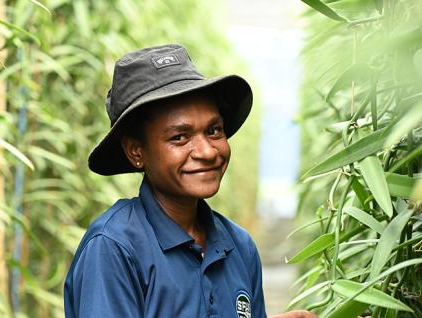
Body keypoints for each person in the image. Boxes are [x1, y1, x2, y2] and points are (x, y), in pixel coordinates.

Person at [64, 44, 316, 318]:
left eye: (214, 130)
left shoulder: (239, 247)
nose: (207, 152)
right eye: (179, 137)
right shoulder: (114, 247)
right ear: (136, 151)